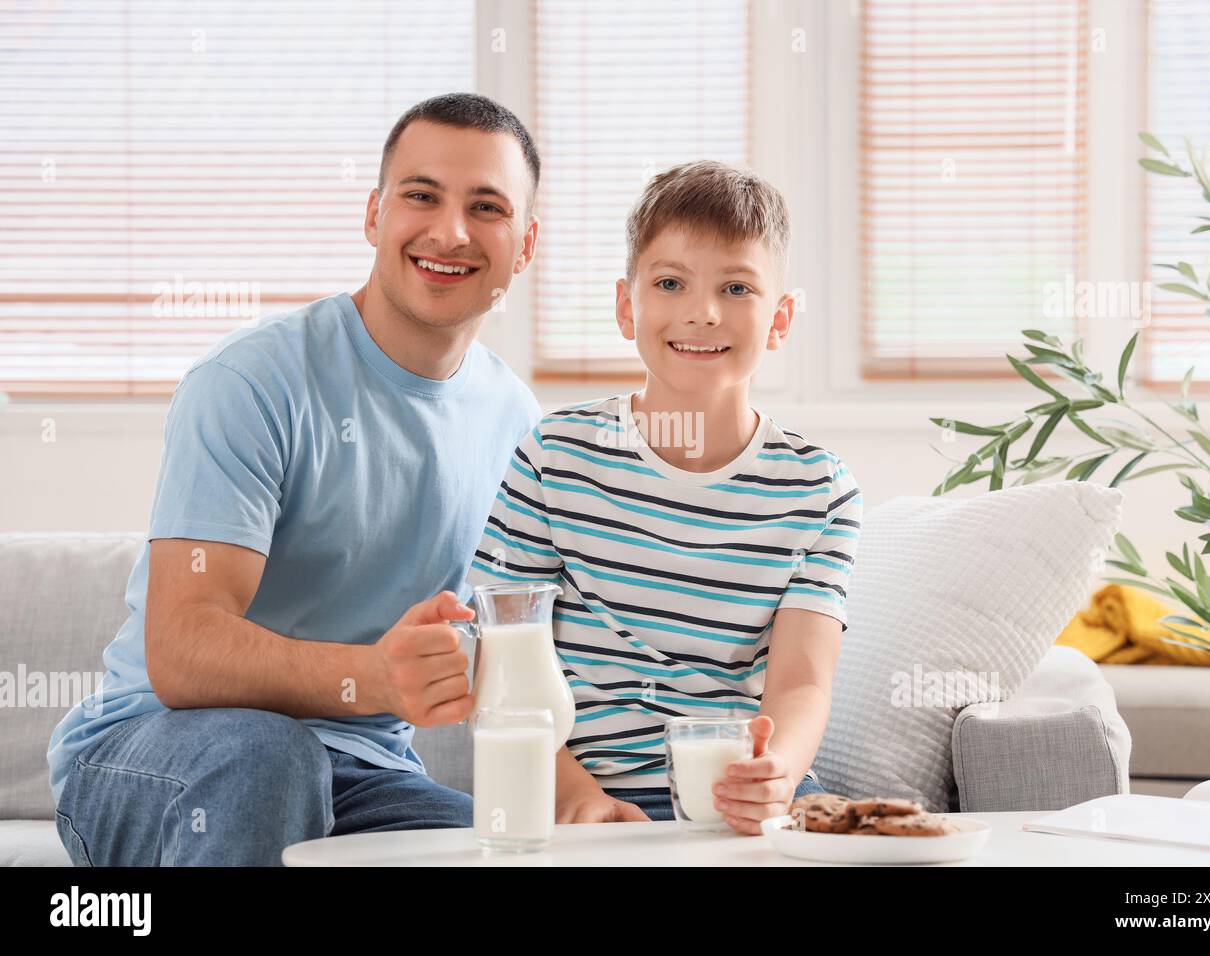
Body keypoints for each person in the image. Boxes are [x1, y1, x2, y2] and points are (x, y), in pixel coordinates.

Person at [47, 93, 543, 866]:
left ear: (526, 244)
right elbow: (182, 651)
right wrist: (375, 676)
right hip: (157, 756)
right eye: (421, 196)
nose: (450, 232)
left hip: (364, 774)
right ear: (374, 215)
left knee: (496, 849)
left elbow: (529, 634)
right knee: (269, 760)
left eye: (487, 206)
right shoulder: (252, 381)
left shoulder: (516, 419)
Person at [468, 160, 863, 833]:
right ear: (627, 306)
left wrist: (778, 775)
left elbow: (801, 680)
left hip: (740, 801)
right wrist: (573, 795)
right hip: (579, 794)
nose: (702, 312)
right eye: (670, 282)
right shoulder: (554, 458)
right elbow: (497, 655)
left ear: (781, 318)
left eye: (736, 287)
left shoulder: (818, 490)